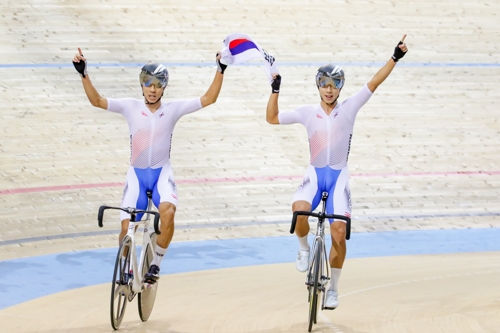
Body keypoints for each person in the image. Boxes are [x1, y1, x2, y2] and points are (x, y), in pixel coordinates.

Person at [265, 36, 408, 309]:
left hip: (339, 177)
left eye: (335, 85)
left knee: (339, 233)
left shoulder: (350, 107)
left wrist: (395, 57)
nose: (329, 90)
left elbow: (375, 82)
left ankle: (334, 288)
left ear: (341, 87)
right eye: (325, 85)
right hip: (315, 176)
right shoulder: (308, 113)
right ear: (318, 87)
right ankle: (305, 249)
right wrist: (275, 90)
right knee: (299, 209)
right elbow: (272, 118)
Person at [72, 48, 227, 283]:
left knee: (168, 213)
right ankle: (127, 268)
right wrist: (84, 74)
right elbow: (97, 101)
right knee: (126, 229)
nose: (152, 89)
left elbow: (209, 99)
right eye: (148, 84)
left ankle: (156, 264)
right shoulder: (130, 106)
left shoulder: (172, 109)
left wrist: (220, 69)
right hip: (136, 175)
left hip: (161, 174)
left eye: (157, 85)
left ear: (164, 87)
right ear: (142, 85)